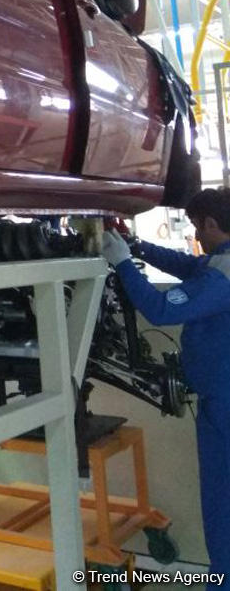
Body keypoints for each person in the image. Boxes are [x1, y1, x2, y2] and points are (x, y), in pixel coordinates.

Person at [102, 188, 230, 579]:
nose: (196, 236)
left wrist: (123, 264)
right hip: (218, 401)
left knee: (222, 507)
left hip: (226, 407)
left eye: (197, 227)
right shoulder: (218, 263)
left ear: (211, 224)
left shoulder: (223, 277)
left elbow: (160, 309)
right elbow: (189, 266)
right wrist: (136, 246)